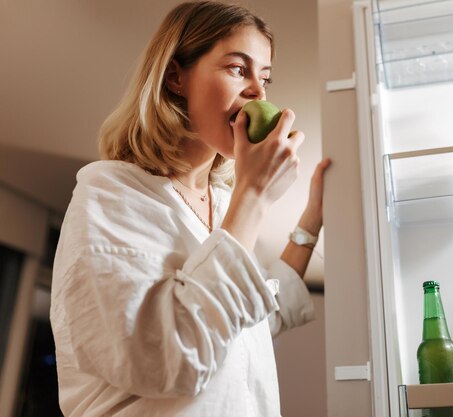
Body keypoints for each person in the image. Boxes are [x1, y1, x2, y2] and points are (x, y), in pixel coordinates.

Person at [49, 2, 331, 416]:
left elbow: (244, 320)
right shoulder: (112, 194)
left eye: (265, 77)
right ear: (176, 76)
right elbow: (171, 357)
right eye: (239, 69)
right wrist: (253, 195)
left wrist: (312, 217)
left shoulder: (220, 204)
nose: (258, 91)